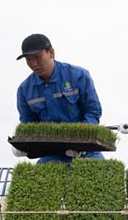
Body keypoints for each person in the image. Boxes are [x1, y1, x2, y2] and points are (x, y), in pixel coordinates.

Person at [15, 33, 104, 164]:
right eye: (28, 59)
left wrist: (78, 141)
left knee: (101, 176)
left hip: (85, 152)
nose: (33, 64)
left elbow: (93, 111)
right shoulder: (24, 90)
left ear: (51, 52)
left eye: (37, 57)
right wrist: (26, 145)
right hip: (51, 155)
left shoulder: (78, 76)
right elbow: (28, 125)